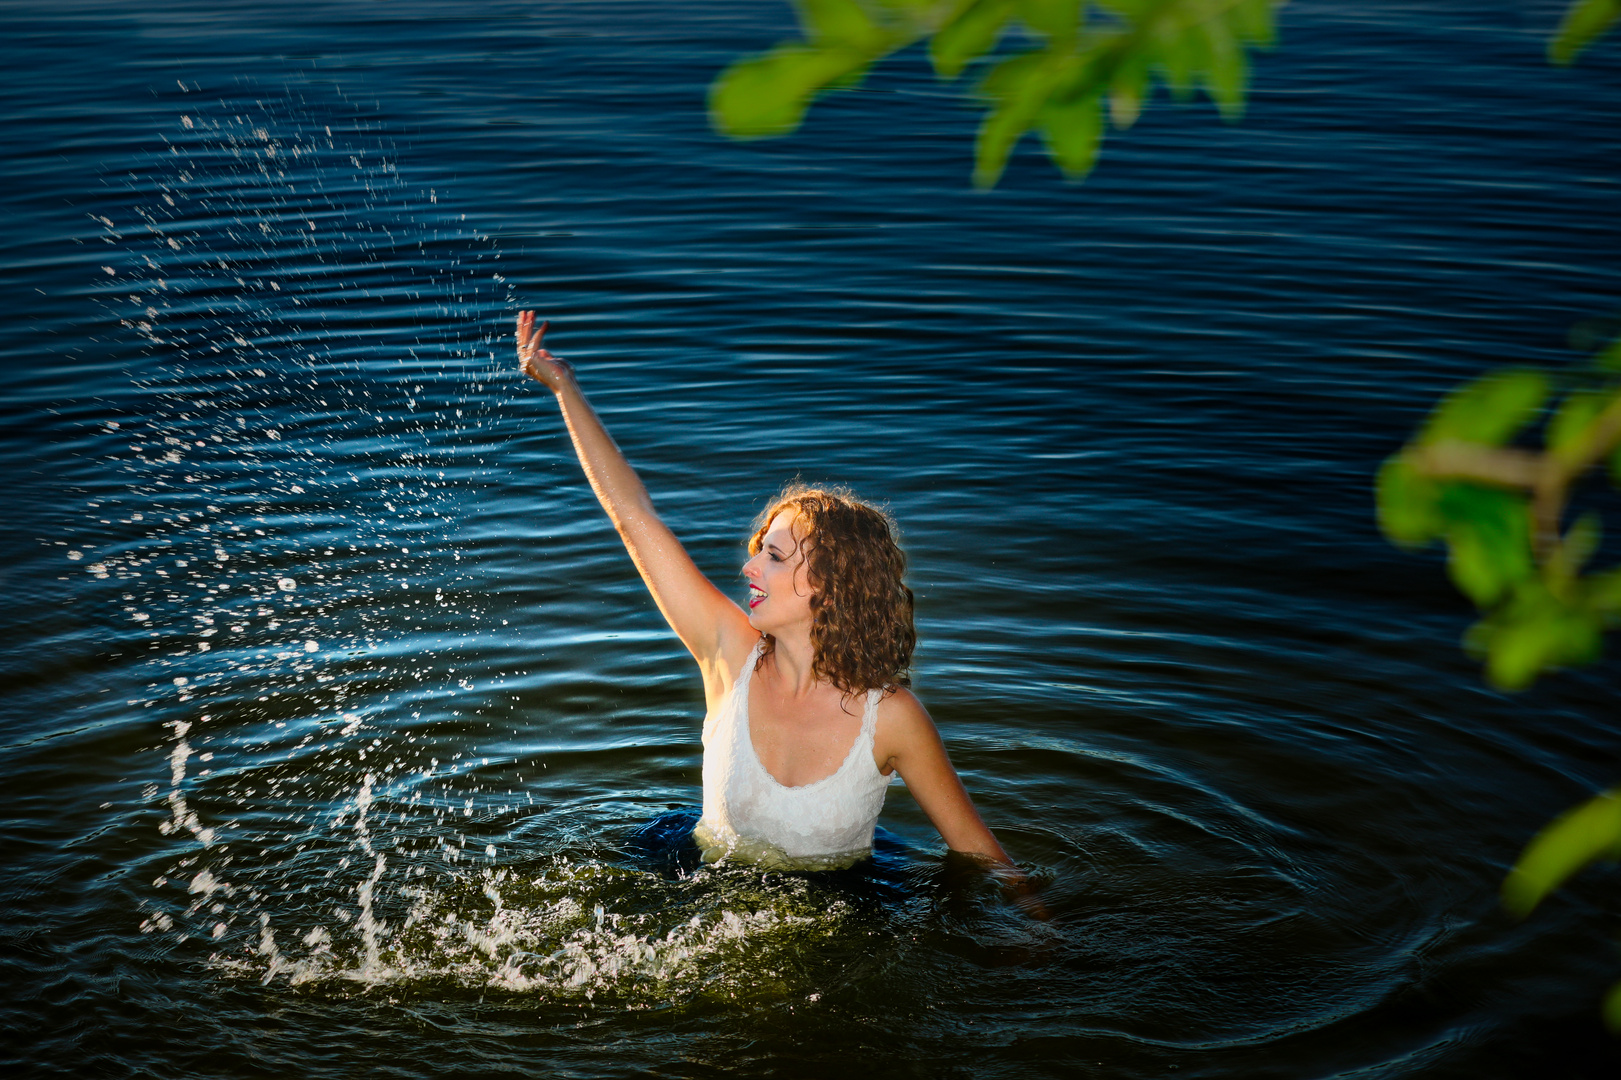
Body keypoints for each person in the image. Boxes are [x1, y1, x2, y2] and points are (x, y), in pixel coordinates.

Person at [516, 311, 1015, 872]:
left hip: (840, 906)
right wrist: (565, 389)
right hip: (705, 885)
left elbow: (981, 855)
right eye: (758, 550)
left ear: (830, 587)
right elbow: (635, 517)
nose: (749, 568)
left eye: (774, 556)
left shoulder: (891, 717)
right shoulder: (729, 654)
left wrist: (1033, 934)